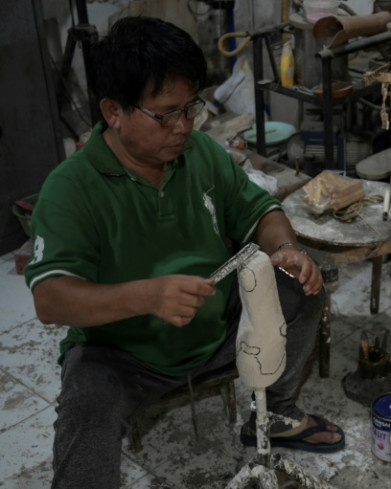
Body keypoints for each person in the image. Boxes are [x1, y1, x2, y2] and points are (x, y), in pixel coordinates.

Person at [23, 16, 344, 489]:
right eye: (165, 114)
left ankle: (273, 414)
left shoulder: (199, 153)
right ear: (113, 111)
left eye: (190, 108)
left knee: (308, 281)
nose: (183, 126)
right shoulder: (71, 188)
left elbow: (262, 211)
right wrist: (148, 296)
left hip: (216, 329)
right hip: (122, 355)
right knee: (83, 420)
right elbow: (50, 298)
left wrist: (287, 249)